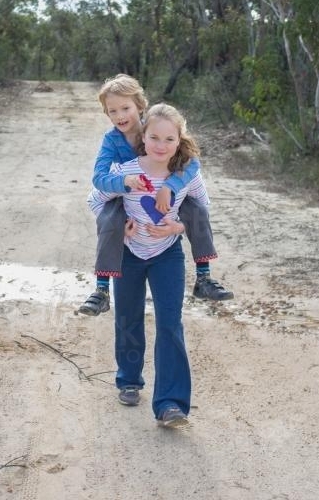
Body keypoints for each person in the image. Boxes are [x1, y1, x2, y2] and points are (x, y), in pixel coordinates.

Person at [87, 103, 209, 427]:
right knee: (128, 317)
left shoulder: (185, 176)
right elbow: (94, 199)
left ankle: (171, 404)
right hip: (129, 254)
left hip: (167, 253)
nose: (161, 145)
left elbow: (203, 207)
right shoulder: (126, 170)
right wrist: (117, 225)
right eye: (154, 137)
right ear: (144, 138)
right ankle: (129, 379)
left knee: (170, 323)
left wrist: (177, 227)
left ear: (179, 141)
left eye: (169, 140)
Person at [77, 74, 233, 316]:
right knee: (110, 217)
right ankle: (101, 290)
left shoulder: (155, 129)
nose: (120, 116)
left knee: (195, 209)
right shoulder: (111, 140)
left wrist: (170, 186)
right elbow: (98, 179)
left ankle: (204, 277)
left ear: (140, 105)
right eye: (113, 111)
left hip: (164, 191)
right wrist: (124, 181)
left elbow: (191, 163)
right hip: (126, 192)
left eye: (125, 108)